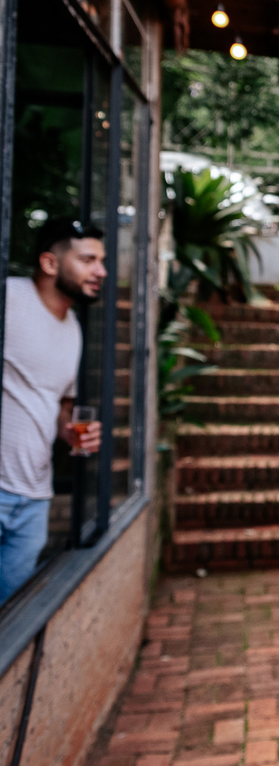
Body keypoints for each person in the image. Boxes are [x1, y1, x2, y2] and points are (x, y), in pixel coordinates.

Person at [0, 219, 104, 603]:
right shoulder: (9, 300)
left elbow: (60, 406)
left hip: (34, 498)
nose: (101, 271)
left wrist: (70, 430)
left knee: (10, 619)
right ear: (49, 263)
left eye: (102, 261)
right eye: (89, 260)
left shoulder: (73, 328)